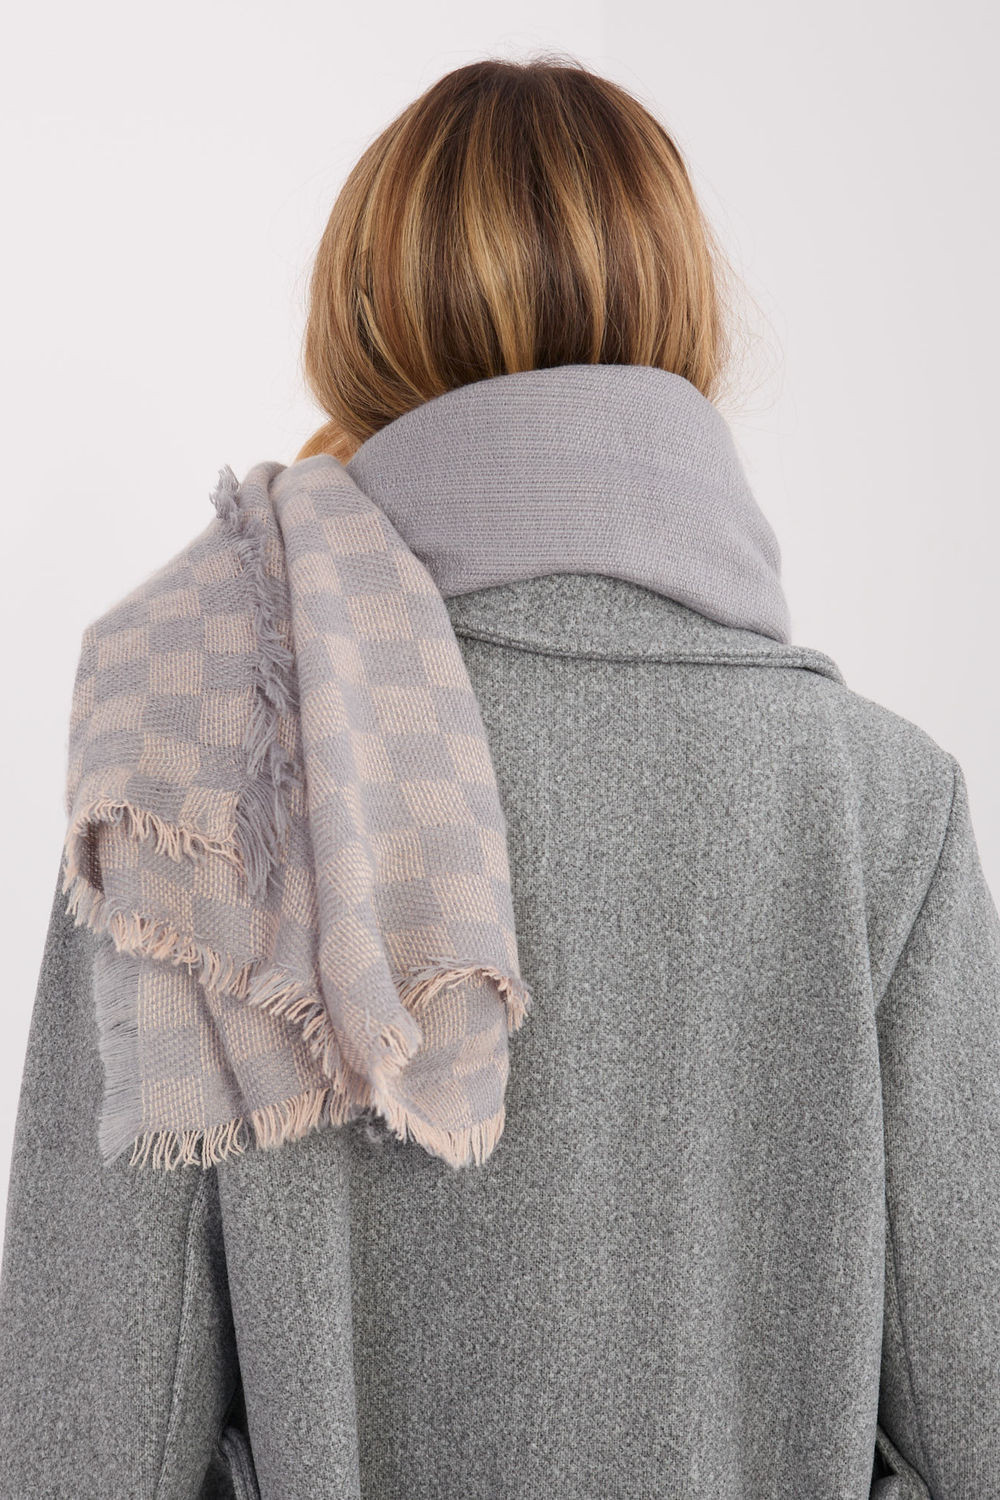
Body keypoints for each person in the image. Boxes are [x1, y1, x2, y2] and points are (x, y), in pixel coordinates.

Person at [1, 55, 997, 1500]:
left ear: (363, 325)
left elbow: (80, 1438)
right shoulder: (878, 809)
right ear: (683, 321)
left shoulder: (193, 771)